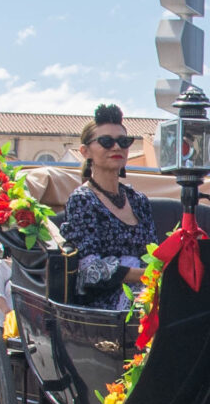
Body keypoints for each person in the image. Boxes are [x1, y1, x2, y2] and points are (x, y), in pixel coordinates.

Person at [58, 106, 156, 310]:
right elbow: (91, 269)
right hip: (106, 301)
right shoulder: (83, 200)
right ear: (85, 151)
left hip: (149, 290)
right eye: (106, 141)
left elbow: (153, 254)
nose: (116, 147)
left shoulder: (138, 200)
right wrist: (146, 275)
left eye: (123, 141)